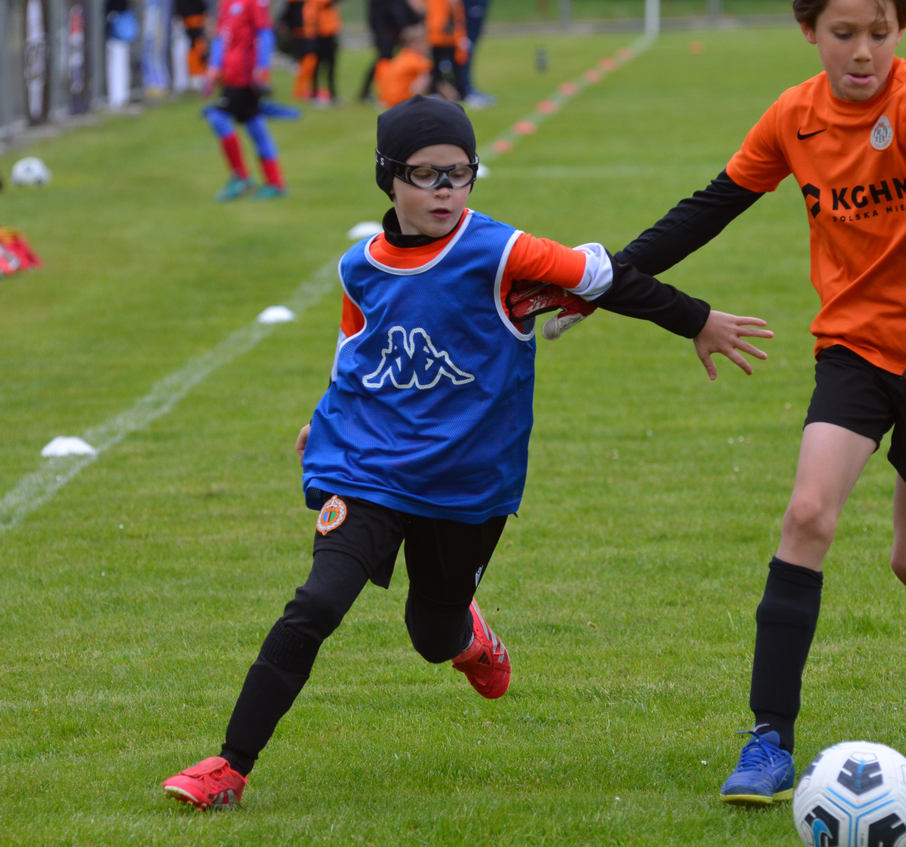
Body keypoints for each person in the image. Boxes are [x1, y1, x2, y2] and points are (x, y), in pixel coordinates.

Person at [160, 95, 772, 810]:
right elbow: (358, 352)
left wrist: (696, 319)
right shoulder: (360, 266)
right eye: (426, 174)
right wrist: (323, 418)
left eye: (460, 173)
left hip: (468, 483)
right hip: (368, 466)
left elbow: (606, 275)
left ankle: (467, 635)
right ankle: (228, 767)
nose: (446, 189)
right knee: (317, 602)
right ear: (389, 177)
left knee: (431, 634)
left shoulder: (504, 253)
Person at [610, 0, 906, 805]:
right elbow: (711, 205)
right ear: (809, 32)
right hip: (852, 349)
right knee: (807, 515)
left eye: (880, 34)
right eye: (843, 34)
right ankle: (769, 739)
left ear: (900, 31)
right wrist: (604, 278)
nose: (863, 52)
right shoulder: (795, 115)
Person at [205, 0, 287, 201]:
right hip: (230, 76)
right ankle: (275, 182)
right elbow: (220, 37)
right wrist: (214, 66)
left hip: (245, 77)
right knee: (255, 124)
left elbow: (265, 33)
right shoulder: (225, 3)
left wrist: (262, 67)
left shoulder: (254, 2)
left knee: (218, 117)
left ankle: (241, 178)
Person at [359, 0, 420, 104]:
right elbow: (393, 10)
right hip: (387, 30)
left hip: (391, 28)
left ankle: (381, 90)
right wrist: (405, 26)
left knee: (393, 59)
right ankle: (381, 91)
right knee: (384, 59)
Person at [375, 25, 436, 108]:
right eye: (425, 42)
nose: (429, 45)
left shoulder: (402, 55)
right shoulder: (414, 59)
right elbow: (433, 71)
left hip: (388, 100)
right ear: (414, 44)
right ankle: (419, 103)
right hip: (401, 101)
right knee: (427, 75)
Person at [425, 0, 467, 101]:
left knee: (435, 68)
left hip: (432, 30)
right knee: (449, 69)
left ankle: (438, 93)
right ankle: (457, 94)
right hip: (445, 32)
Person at [302, 0, 341, 105]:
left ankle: (332, 92)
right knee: (317, 64)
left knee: (331, 64)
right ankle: (314, 92)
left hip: (329, 30)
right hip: (319, 31)